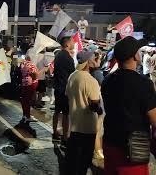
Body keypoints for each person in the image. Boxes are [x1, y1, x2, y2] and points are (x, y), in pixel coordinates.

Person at [101, 36, 156, 175]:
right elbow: (154, 119)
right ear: (135, 56)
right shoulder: (143, 83)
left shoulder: (107, 81)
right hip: (133, 149)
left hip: (110, 142)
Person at [65, 50, 103, 175]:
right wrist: (100, 110)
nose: (95, 59)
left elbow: (68, 96)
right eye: (93, 58)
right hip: (87, 127)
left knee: (72, 162)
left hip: (75, 125)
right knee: (83, 162)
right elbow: (94, 104)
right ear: (87, 62)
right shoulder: (91, 80)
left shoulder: (72, 76)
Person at [52, 36, 75, 148]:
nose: (74, 43)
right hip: (65, 89)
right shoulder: (67, 57)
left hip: (57, 87)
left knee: (57, 111)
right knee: (66, 114)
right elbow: (73, 74)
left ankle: (55, 133)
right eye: (72, 41)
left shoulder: (58, 55)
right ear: (67, 44)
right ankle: (65, 138)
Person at [20, 54, 39, 123]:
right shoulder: (31, 65)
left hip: (24, 83)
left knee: (24, 100)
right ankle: (28, 116)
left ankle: (25, 115)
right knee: (28, 100)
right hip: (30, 84)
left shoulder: (22, 64)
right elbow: (34, 75)